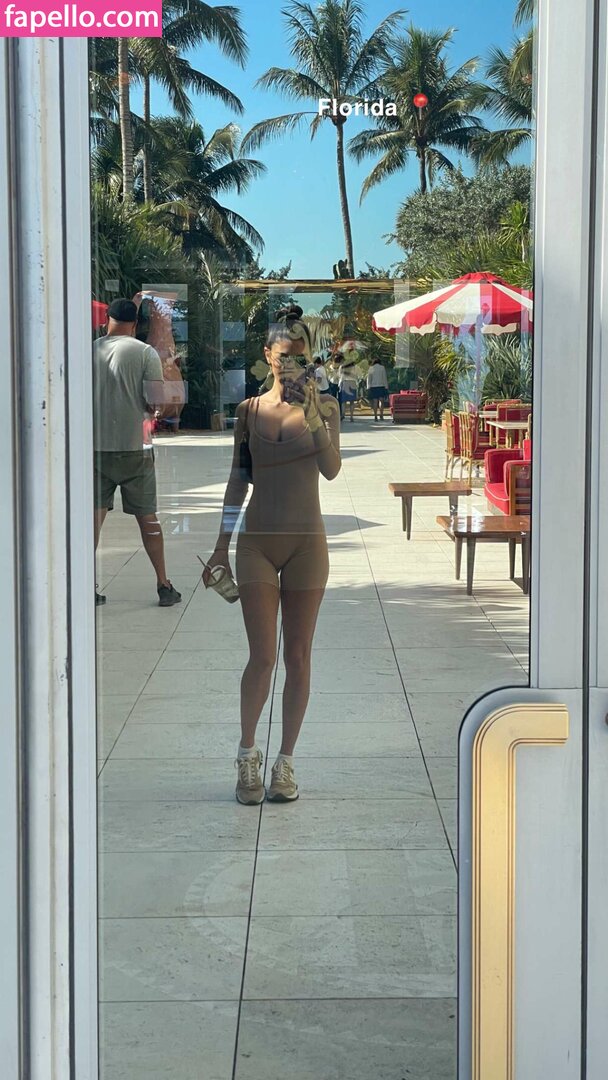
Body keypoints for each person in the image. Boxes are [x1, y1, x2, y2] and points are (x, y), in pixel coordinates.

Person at [205, 304, 341, 805]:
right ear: (268, 355)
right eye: (285, 356)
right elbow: (238, 480)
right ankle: (247, 755)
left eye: (302, 359)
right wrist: (220, 545)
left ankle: (286, 761)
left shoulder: (327, 408)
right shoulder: (248, 411)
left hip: (307, 543)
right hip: (257, 543)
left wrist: (314, 415)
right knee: (262, 656)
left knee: (298, 656)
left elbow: (331, 469)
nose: (293, 367)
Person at [93, 298, 182, 608]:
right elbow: (157, 403)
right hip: (135, 448)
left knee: (93, 520)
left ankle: (85, 585)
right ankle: (163, 585)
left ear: (108, 319)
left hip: (96, 448)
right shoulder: (145, 353)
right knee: (148, 519)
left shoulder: (88, 352)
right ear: (134, 324)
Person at [338, 357, 358, 422]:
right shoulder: (355, 367)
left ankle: (343, 414)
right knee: (352, 401)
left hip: (345, 382)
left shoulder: (342, 366)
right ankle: (351, 416)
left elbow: (339, 375)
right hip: (353, 383)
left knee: (344, 401)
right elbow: (357, 375)